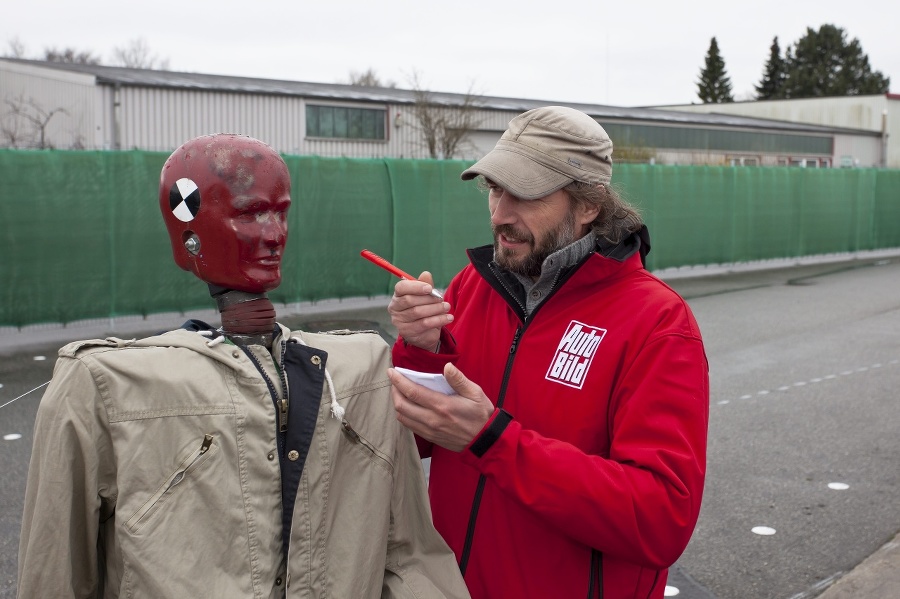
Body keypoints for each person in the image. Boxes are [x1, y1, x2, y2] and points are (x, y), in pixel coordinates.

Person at [17, 133, 470, 599]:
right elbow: (56, 573)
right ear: (188, 224)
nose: (275, 233)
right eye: (250, 213)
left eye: (281, 212)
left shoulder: (361, 367)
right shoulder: (103, 385)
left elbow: (409, 553)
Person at [386, 106, 709, 599]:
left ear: (588, 205)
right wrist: (420, 349)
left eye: (525, 193)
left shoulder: (658, 322)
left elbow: (660, 520)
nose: (499, 214)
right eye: (495, 189)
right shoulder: (473, 286)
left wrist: (494, 440)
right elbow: (422, 444)